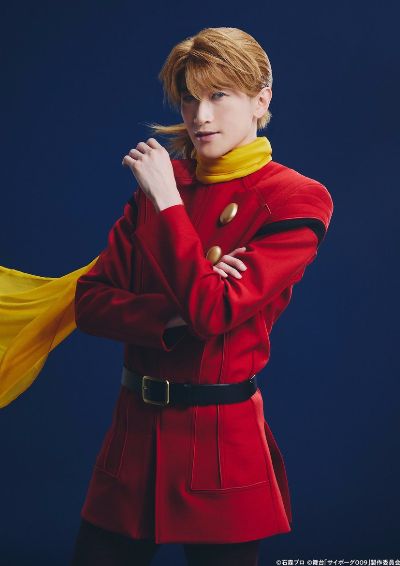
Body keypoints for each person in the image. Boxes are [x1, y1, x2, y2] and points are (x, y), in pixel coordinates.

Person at [0, 26, 333, 565]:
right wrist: (176, 315)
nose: (200, 115)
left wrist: (167, 203)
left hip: (220, 447)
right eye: (189, 98)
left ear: (261, 100)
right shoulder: (162, 183)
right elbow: (91, 303)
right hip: (134, 437)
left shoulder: (294, 199)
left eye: (219, 95)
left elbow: (214, 311)